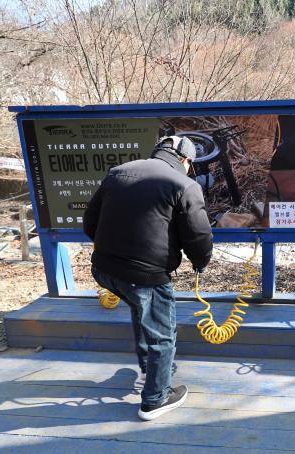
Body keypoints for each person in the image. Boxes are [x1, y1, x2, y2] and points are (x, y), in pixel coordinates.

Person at [83, 135, 213, 421]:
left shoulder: (118, 173)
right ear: (185, 159)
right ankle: (155, 399)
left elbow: (89, 222)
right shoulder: (185, 185)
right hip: (145, 276)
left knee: (140, 309)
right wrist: (200, 263)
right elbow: (199, 236)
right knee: (162, 334)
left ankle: (149, 366)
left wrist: (114, 253)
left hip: (105, 270)